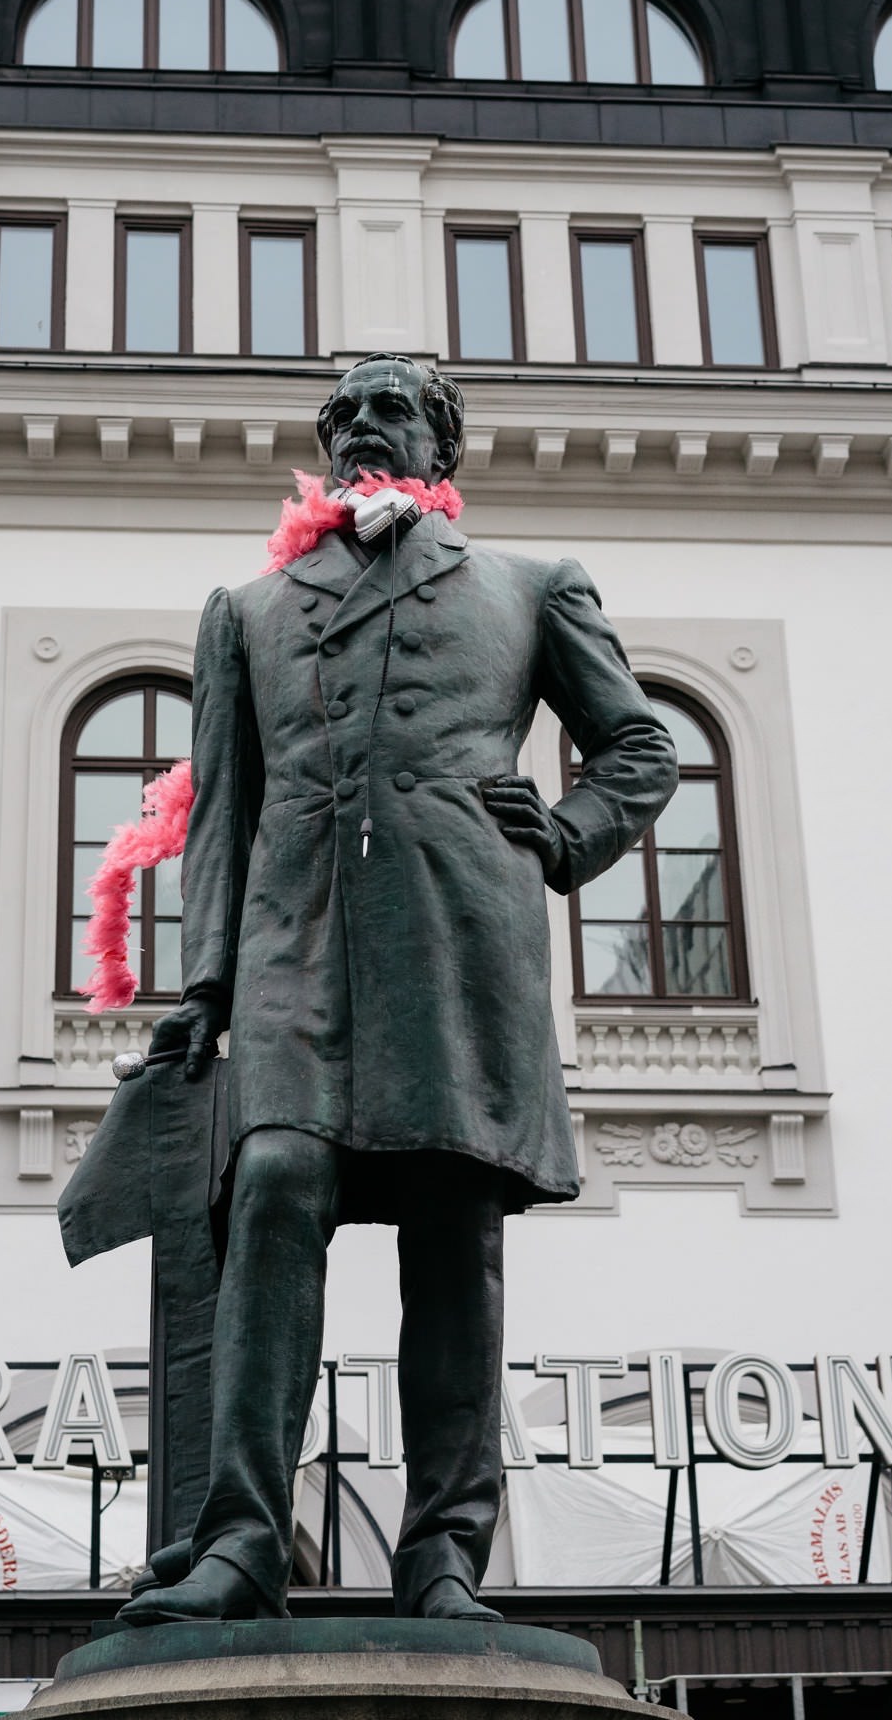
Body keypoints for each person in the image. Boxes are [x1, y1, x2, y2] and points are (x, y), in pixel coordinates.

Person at [120, 354, 677, 1625]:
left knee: (451, 1226)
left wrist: (568, 829)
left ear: (443, 447)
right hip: (287, 944)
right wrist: (203, 978)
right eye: (346, 414)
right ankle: (245, 1538)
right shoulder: (245, 609)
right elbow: (221, 813)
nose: (366, 426)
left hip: (456, 933)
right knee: (272, 1185)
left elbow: (639, 744)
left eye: (394, 409)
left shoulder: (531, 588)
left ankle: (441, 1556)